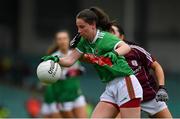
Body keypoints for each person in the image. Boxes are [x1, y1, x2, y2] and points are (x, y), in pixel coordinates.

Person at [41, 7, 143, 118]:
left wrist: (115, 53)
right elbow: (70, 60)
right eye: (77, 27)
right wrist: (56, 60)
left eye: (82, 27)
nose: (79, 31)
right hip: (110, 86)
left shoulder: (105, 37)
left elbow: (126, 47)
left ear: (93, 25)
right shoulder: (84, 42)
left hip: (125, 83)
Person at [110, 22, 172, 118]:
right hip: (126, 99)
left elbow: (157, 66)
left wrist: (161, 88)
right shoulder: (106, 55)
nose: (109, 35)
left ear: (121, 37)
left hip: (150, 97)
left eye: (112, 32)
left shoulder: (135, 50)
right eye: (107, 32)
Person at [41, 30, 88, 118]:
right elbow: (50, 76)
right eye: (59, 39)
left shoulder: (74, 54)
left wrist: (76, 71)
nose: (62, 41)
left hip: (76, 94)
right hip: (63, 98)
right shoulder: (54, 57)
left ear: (68, 40)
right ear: (56, 41)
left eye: (65, 38)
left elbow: (81, 70)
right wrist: (68, 73)